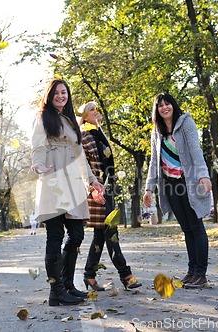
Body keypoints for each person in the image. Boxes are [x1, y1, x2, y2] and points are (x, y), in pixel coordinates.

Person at [31, 78, 105, 306]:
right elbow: (37, 147)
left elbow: (80, 156)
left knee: (76, 235)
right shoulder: (43, 117)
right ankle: (56, 290)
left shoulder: (72, 122)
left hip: (73, 183)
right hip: (53, 180)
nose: (61, 96)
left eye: (64, 92)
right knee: (55, 236)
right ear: (49, 95)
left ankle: (68, 284)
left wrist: (92, 181)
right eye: (56, 92)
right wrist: (39, 166)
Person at [143, 93, 212, 289]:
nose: (165, 108)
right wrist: (149, 188)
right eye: (161, 105)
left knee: (196, 226)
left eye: (168, 104)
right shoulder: (157, 131)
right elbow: (154, 162)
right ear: (157, 110)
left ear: (173, 106)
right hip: (170, 185)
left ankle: (201, 274)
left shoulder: (186, 123)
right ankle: (192, 271)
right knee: (186, 228)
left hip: (188, 182)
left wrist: (203, 175)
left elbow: (196, 152)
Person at [77, 101, 142, 291]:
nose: (97, 112)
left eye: (97, 109)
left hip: (107, 188)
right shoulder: (84, 136)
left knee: (100, 235)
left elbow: (108, 159)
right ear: (84, 116)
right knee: (110, 233)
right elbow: (86, 167)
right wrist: (94, 188)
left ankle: (89, 275)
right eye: (92, 110)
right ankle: (126, 275)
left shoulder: (98, 133)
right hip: (97, 190)